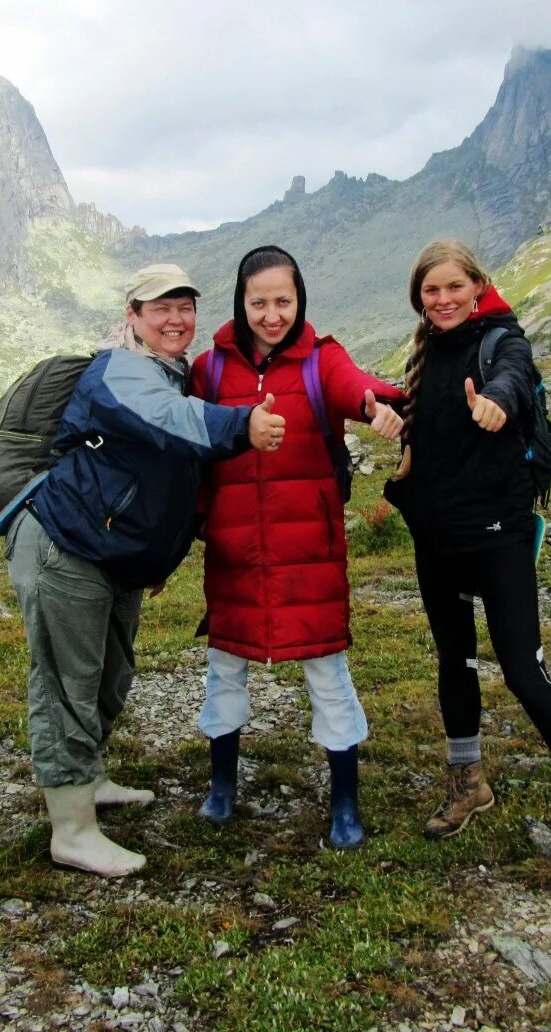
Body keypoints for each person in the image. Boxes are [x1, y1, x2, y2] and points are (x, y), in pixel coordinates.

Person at [3, 264, 285, 877]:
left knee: (110, 675)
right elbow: (170, 423)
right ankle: (72, 829)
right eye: (159, 308)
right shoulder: (119, 369)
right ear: (132, 316)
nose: (175, 318)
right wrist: (242, 425)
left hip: (114, 554)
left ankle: (89, 779)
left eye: (184, 306)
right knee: (66, 684)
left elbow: (171, 476)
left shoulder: (172, 373)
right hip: (65, 544)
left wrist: (163, 551)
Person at [382, 239, 551, 894]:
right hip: (438, 532)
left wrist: (497, 400)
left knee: (524, 671)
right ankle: (468, 781)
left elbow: (514, 379)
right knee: (454, 658)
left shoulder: (501, 340)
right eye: (430, 291)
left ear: (478, 285)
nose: (442, 300)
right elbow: (427, 414)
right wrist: (380, 409)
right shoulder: (429, 354)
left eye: (453, 287)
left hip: (498, 529)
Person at [189, 245, 404, 850]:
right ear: (241, 302)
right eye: (259, 303)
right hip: (235, 550)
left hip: (309, 550)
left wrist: (374, 406)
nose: (272, 315)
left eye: (283, 301)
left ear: (300, 299)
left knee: (327, 672)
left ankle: (344, 803)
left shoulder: (320, 359)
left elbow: (353, 387)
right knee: (224, 669)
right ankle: (222, 787)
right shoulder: (209, 370)